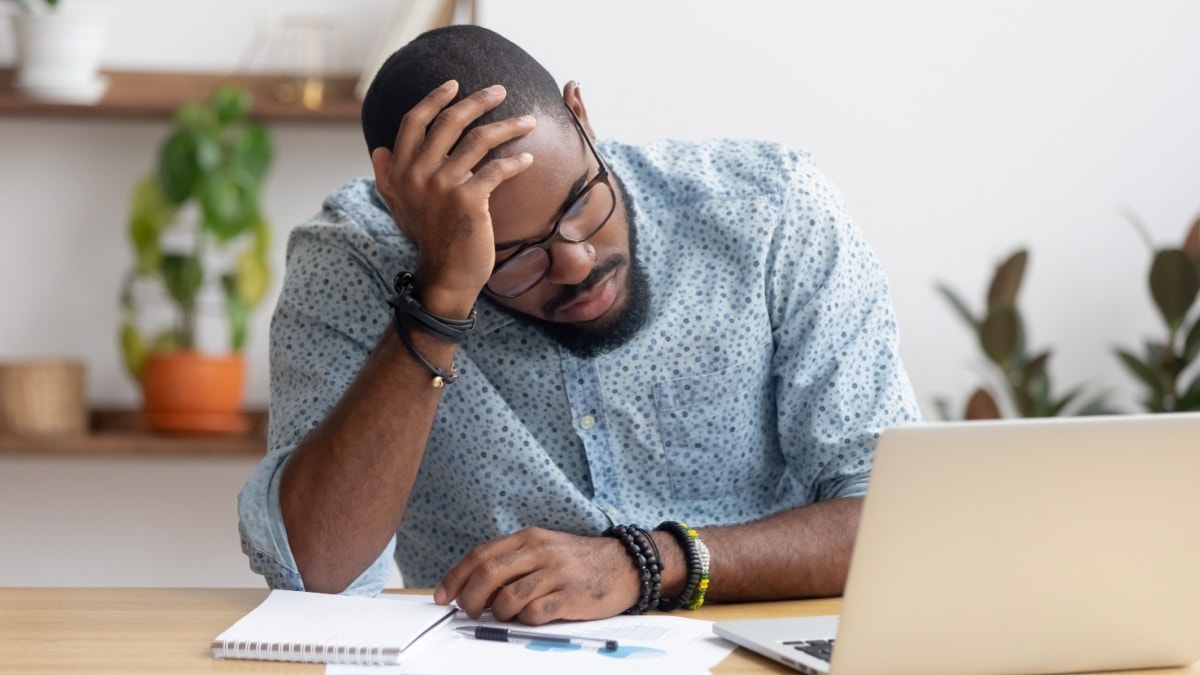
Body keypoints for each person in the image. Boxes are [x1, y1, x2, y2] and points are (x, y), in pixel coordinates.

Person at [238, 24, 921, 625]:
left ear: (582, 115)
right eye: (511, 256)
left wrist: (646, 562)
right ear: (402, 211)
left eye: (581, 201)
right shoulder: (352, 258)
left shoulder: (772, 214)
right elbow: (316, 571)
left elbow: (898, 519)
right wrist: (441, 293)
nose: (575, 261)